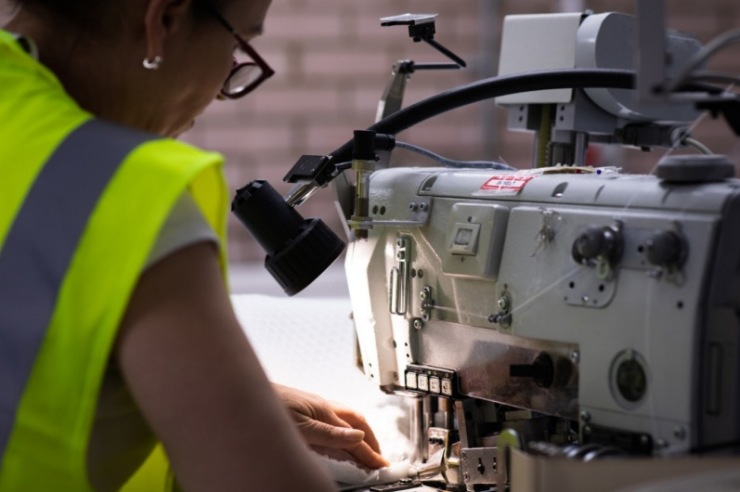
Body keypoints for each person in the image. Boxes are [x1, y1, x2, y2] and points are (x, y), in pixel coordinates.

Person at [0, 0, 389, 490]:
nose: (224, 93)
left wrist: (205, 398)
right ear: (162, 21)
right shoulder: (126, 188)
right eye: (237, 45)